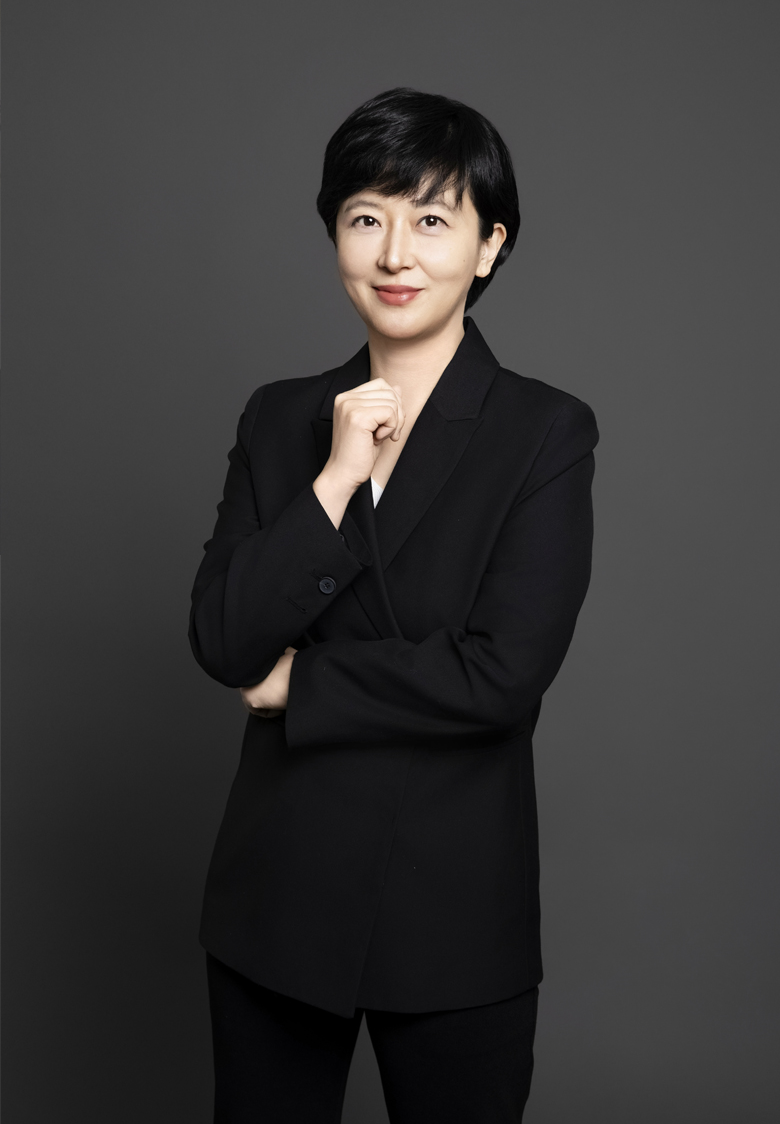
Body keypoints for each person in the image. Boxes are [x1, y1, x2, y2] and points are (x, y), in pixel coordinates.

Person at [189, 86, 599, 1124]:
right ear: (334, 233)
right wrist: (332, 481)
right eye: (366, 217)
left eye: (431, 220)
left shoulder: (544, 431)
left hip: (451, 905)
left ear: (489, 245)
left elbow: (501, 673)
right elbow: (223, 639)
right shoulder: (280, 417)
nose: (394, 254)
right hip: (277, 897)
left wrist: (302, 684)